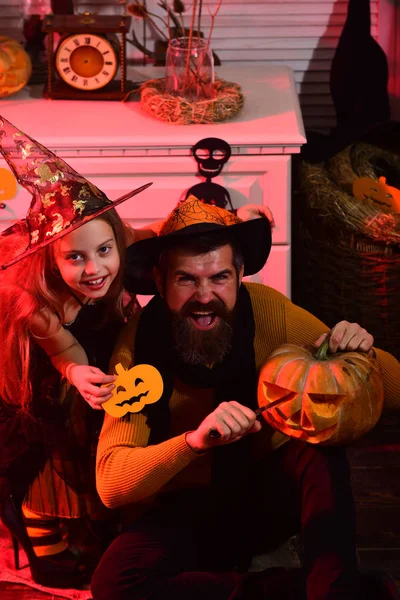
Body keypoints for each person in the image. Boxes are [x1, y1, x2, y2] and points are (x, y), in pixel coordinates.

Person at [0, 115, 269, 589]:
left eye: (104, 251)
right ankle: (45, 541)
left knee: (102, 435)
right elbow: (64, 350)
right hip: (49, 371)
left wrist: (238, 221)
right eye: (75, 258)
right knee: (54, 453)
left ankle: (96, 516)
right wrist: (77, 374)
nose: (95, 269)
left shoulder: (123, 243)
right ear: (51, 259)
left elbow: (169, 232)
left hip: (104, 345)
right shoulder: (40, 305)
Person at [91, 196, 400, 600]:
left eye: (219, 277)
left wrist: (364, 353)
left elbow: (392, 391)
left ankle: (333, 590)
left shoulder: (270, 311)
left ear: (239, 275)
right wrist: (194, 442)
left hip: (264, 496)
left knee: (320, 446)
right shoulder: (136, 349)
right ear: (159, 280)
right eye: (186, 279)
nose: (204, 295)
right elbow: (110, 482)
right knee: (113, 583)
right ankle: (299, 590)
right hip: (186, 509)